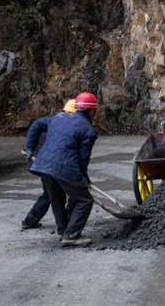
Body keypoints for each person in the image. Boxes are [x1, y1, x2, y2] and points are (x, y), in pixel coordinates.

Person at [29, 92, 99, 247]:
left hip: (43, 164)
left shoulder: (58, 118)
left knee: (57, 199)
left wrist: (28, 148)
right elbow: (82, 160)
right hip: (63, 166)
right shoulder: (88, 130)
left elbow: (38, 126)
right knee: (85, 200)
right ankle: (71, 235)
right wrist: (83, 180)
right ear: (92, 111)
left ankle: (63, 230)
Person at [20, 99, 77, 230]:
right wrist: (28, 148)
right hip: (46, 164)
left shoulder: (64, 124)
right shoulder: (56, 122)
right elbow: (36, 125)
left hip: (48, 164)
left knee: (50, 193)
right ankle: (64, 226)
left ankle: (30, 221)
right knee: (55, 193)